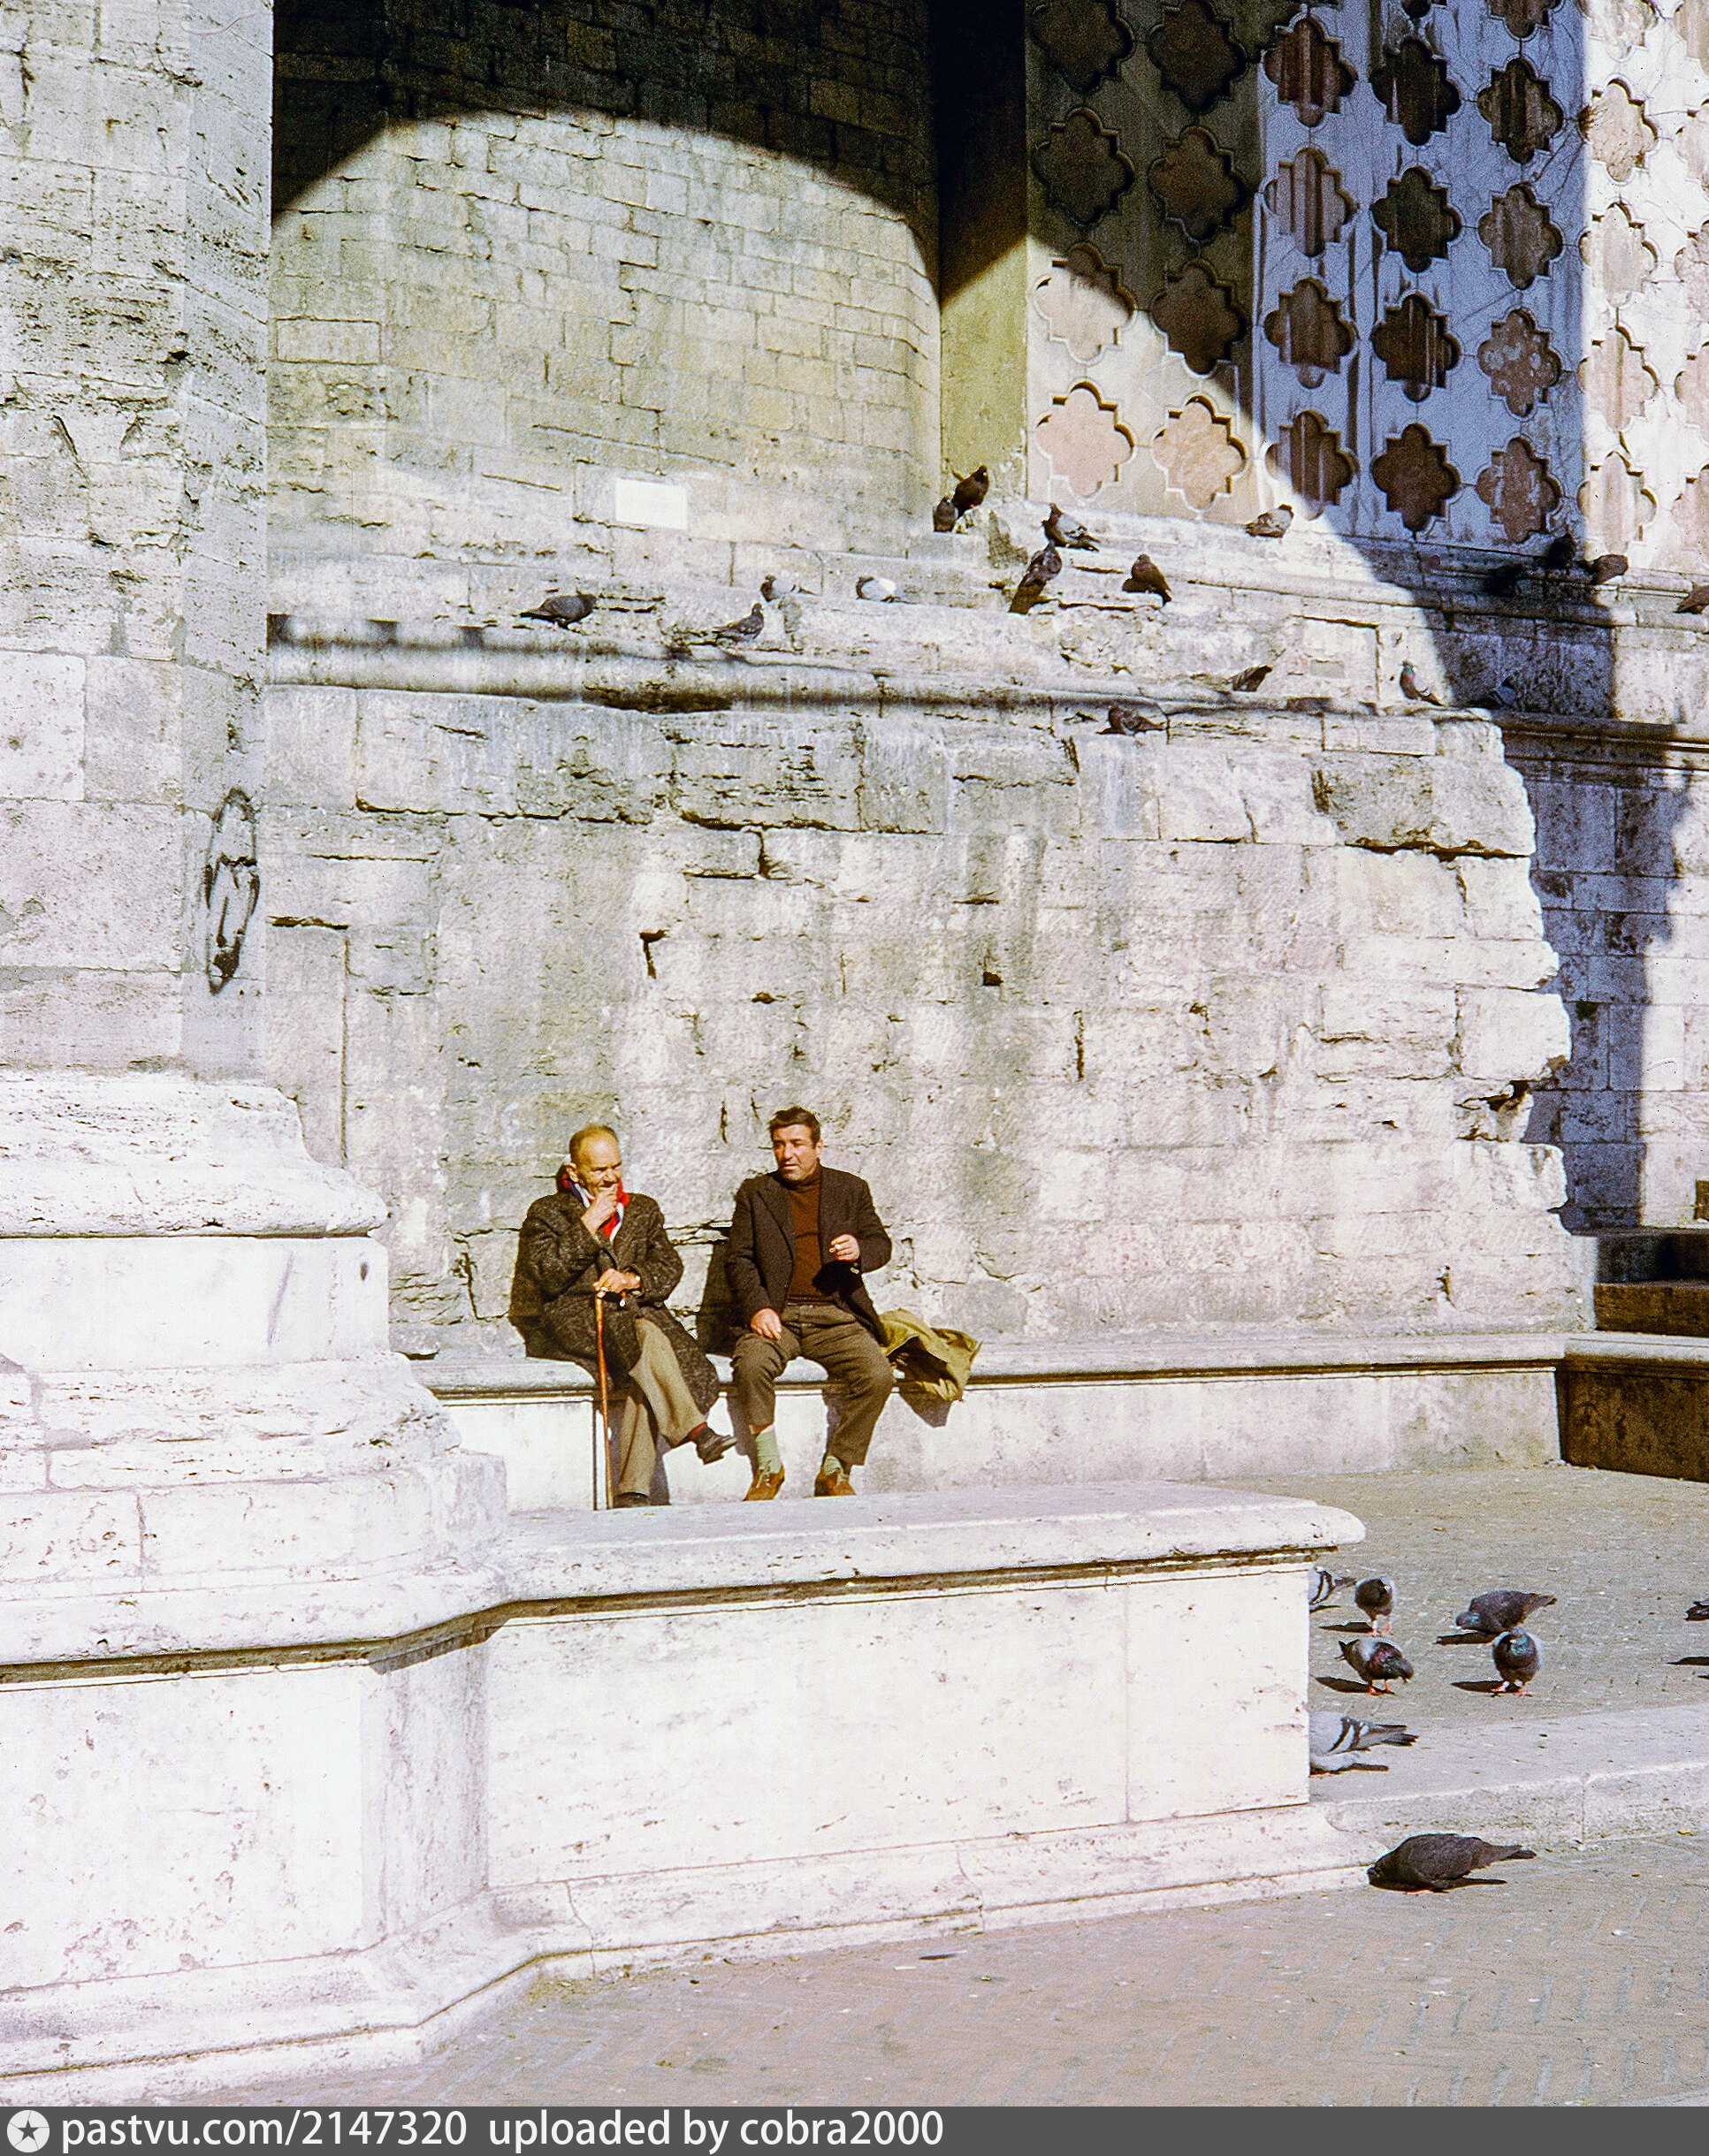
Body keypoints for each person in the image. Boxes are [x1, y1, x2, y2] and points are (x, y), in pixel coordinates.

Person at [509, 1125, 733, 1506]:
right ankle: (696, 1429)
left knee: (643, 1367)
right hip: (577, 1316)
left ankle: (632, 1492)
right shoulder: (547, 1212)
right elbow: (546, 1274)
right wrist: (587, 1224)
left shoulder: (642, 1209)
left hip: (637, 1315)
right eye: (599, 1170)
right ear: (575, 1171)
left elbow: (668, 1265)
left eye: (616, 1166)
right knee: (643, 1339)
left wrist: (632, 1279)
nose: (611, 1177)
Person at [727, 1107, 894, 1499]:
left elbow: (880, 1244)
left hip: (835, 1315)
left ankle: (837, 1467)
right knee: (751, 1364)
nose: (787, 1154)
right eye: (779, 1145)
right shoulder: (756, 1193)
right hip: (778, 1316)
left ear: (818, 1147)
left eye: (797, 1144)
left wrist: (859, 1250)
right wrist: (759, 1307)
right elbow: (738, 1259)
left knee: (878, 1375)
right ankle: (769, 1466)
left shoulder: (850, 1189)